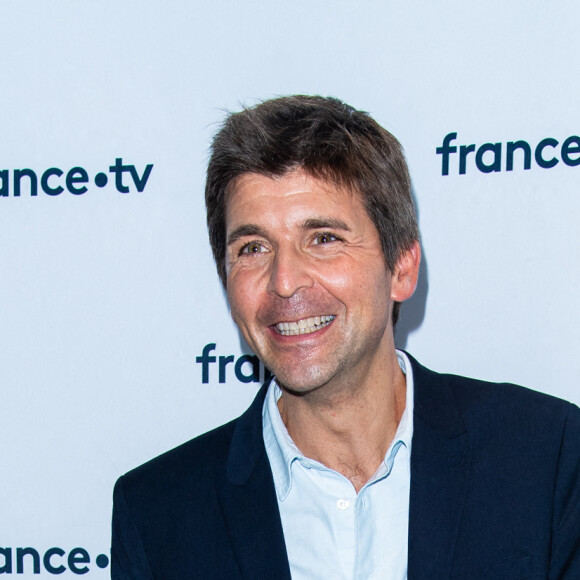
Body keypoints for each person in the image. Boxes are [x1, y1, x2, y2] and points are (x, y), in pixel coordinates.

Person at [111, 95, 580, 579]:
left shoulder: (546, 459)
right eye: (253, 248)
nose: (284, 280)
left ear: (402, 266)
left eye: (324, 239)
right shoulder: (156, 515)